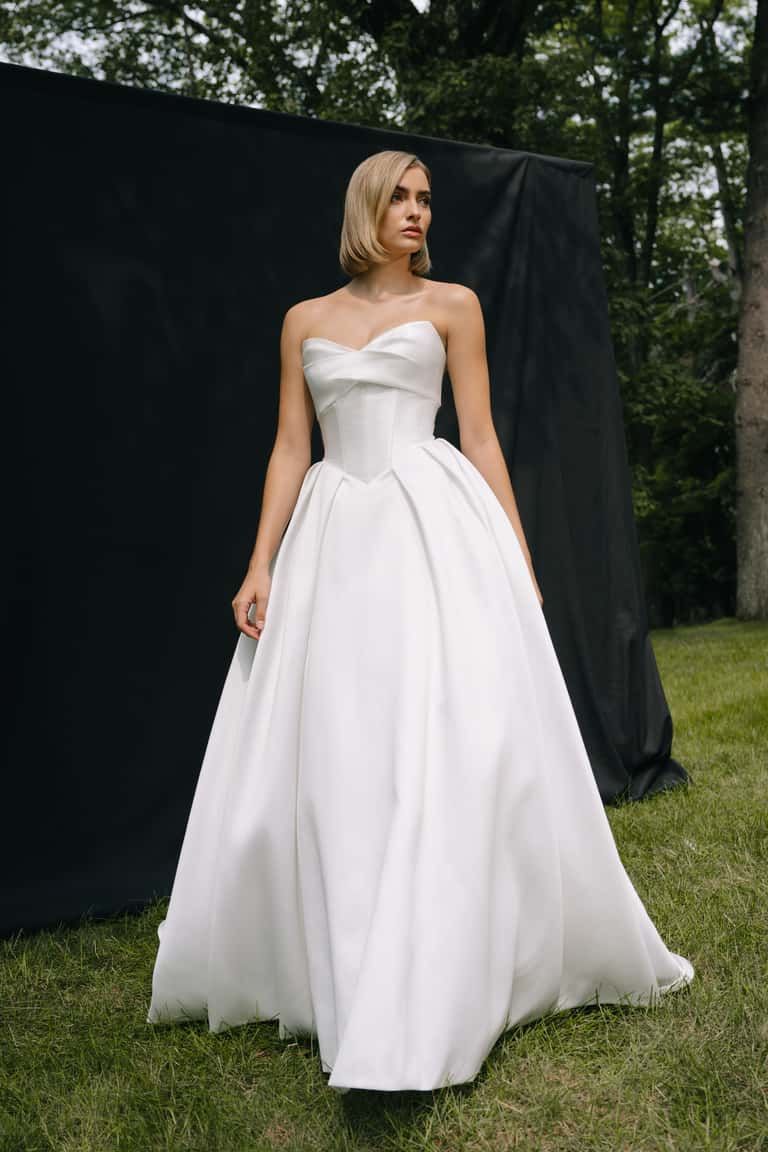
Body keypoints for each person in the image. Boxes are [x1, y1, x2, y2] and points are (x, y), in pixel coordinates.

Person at [147, 149, 694, 1093]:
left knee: (442, 728)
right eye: (399, 197)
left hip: (428, 527)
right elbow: (290, 446)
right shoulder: (304, 320)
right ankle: (341, 949)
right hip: (332, 538)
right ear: (364, 206)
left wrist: (517, 556)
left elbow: (477, 436)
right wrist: (260, 561)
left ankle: (442, 951)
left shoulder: (454, 306)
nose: (417, 212)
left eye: (426, 199)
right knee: (336, 740)